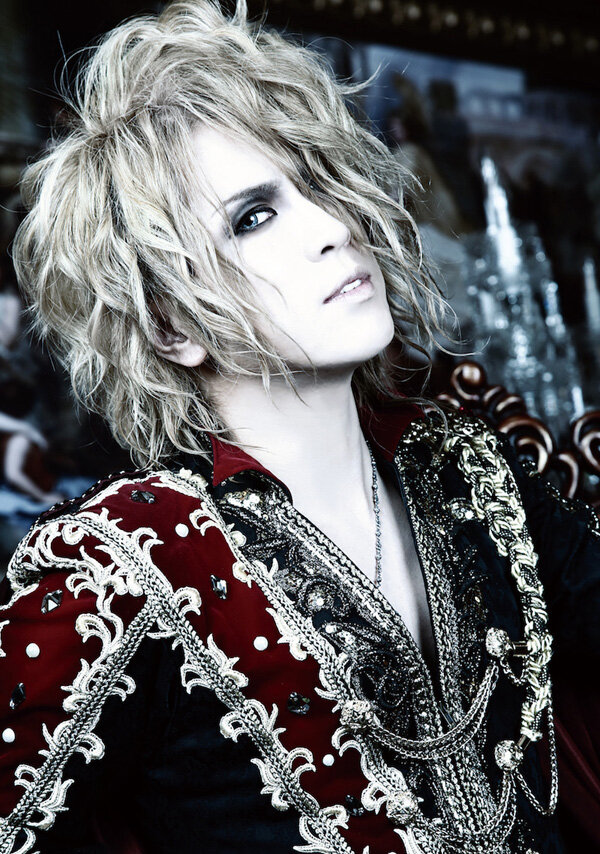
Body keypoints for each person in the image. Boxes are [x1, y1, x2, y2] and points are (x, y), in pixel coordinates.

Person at [0, 2, 599, 852]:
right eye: (253, 217)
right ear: (170, 325)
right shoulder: (128, 565)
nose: (333, 228)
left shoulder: (473, 474)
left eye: (317, 184)